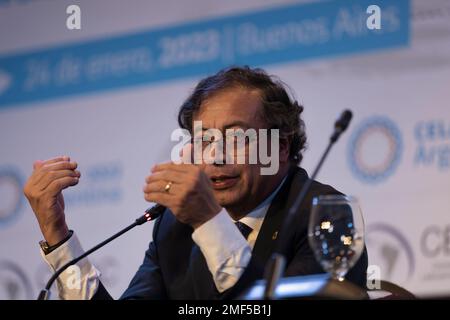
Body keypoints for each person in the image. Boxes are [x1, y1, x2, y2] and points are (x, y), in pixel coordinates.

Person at [23, 66, 368, 300]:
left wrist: (209, 222)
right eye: (204, 140)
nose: (216, 157)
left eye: (236, 138)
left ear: (280, 147)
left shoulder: (327, 215)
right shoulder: (174, 227)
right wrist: (58, 236)